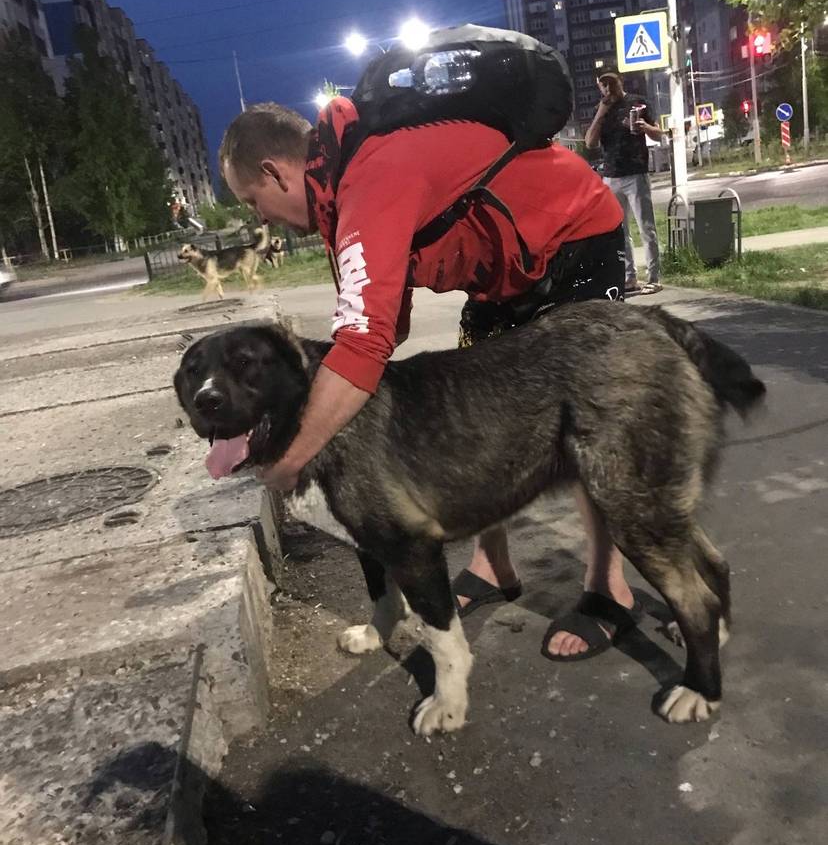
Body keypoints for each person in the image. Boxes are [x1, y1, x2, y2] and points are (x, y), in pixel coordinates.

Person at [220, 99, 641, 660]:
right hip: (502, 274)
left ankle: (608, 588)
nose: (260, 220)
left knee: (585, 424)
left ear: (275, 172)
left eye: (252, 201)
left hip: (574, 236)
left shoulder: (370, 176)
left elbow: (365, 345)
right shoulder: (334, 194)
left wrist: (291, 460)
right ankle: (492, 564)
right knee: (479, 414)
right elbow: (380, 326)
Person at [585, 69, 663, 295]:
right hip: (611, 176)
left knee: (646, 227)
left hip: (636, 173)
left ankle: (654, 277)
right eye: (604, 85)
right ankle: (630, 278)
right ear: (599, 87)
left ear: (621, 81)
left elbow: (658, 134)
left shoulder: (638, 102)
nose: (608, 88)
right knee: (620, 231)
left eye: (612, 83)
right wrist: (601, 112)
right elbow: (590, 143)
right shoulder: (601, 110)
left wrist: (645, 127)